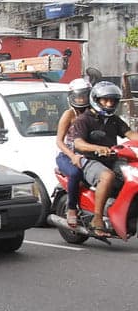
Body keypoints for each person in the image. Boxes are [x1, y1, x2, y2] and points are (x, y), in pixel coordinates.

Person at [70, 81, 138, 237]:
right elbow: (78, 143)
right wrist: (97, 148)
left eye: (112, 100)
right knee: (107, 176)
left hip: (112, 159)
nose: (109, 103)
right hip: (89, 161)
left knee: (131, 175)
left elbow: (129, 134)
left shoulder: (114, 119)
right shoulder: (84, 120)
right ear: (96, 99)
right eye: (105, 100)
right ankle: (97, 218)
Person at [54, 78, 91, 228]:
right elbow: (59, 141)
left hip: (88, 155)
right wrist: (72, 156)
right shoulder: (69, 115)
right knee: (75, 173)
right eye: (78, 96)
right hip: (67, 157)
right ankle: (71, 209)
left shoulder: (93, 113)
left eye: (84, 95)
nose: (81, 99)